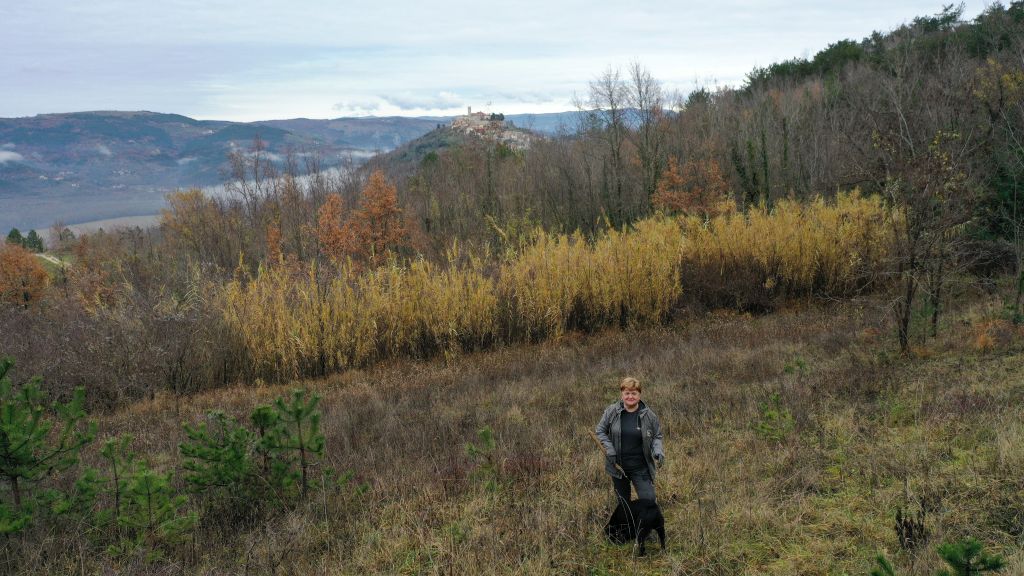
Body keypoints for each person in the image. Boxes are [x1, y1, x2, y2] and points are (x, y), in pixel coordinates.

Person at [595, 377, 665, 504]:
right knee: (624, 503)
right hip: (618, 467)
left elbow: (657, 436)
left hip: (641, 468)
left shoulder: (649, 415)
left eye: (634, 393)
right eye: (627, 393)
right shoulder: (612, 411)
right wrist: (609, 449)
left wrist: (658, 450)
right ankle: (628, 523)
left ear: (639, 395)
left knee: (649, 501)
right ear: (622, 394)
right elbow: (600, 431)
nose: (630, 396)